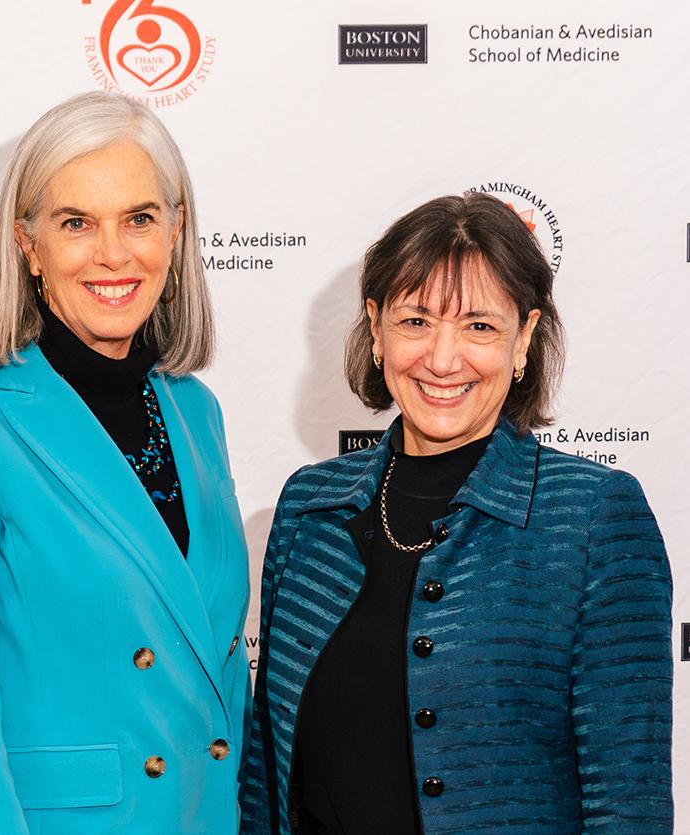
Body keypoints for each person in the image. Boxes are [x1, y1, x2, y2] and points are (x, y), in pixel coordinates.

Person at [0, 91, 250, 834]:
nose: (114, 253)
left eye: (140, 218)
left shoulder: (196, 410)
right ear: (27, 243)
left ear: (176, 232)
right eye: (76, 223)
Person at [241, 193, 672, 834]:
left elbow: (626, 805)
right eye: (416, 321)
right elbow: (265, 779)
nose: (443, 360)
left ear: (523, 339)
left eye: (479, 326)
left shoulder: (592, 519)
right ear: (376, 326)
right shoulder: (310, 506)